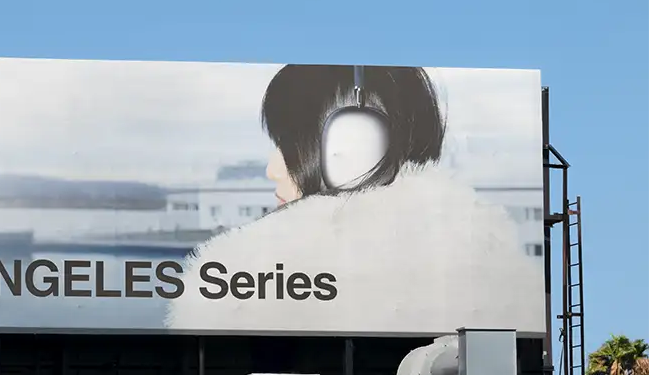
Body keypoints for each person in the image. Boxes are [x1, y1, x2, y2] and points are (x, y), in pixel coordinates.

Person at [166, 64, 544, 335]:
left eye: (286, 146)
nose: (271, 169)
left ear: (351, 147)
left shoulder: (240, 281)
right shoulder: (502, 272)